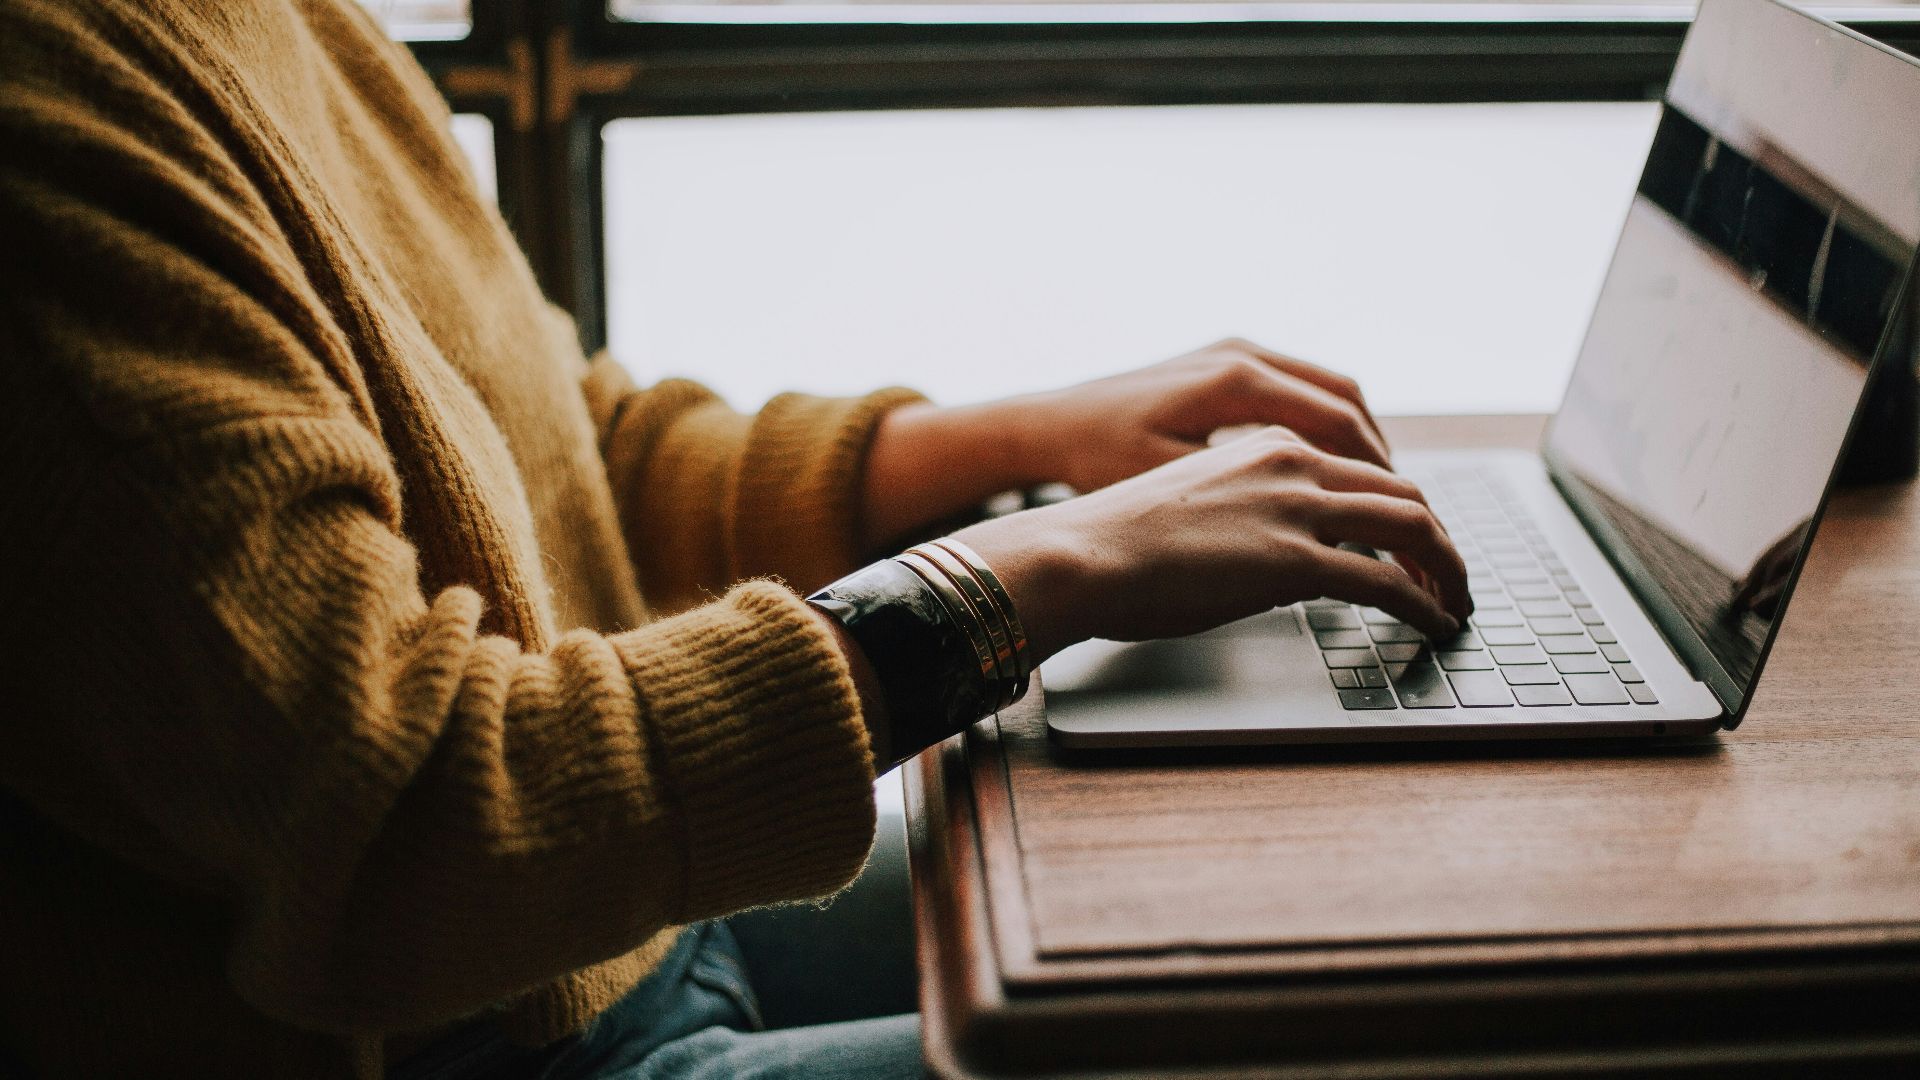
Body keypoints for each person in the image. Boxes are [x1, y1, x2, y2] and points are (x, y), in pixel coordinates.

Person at [0, 1, 1470, 1077]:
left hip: (610, 934)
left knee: (1377, 931)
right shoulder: (48, 125)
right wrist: (1035, 573)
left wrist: (1020, 441)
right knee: (1362, 1052)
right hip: (465, 1036)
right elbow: (410, 833)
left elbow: (554, 458)